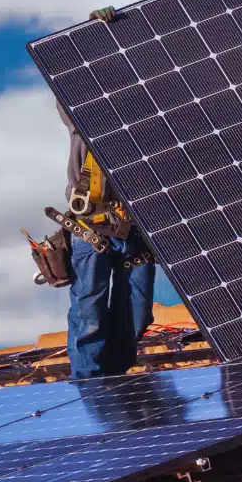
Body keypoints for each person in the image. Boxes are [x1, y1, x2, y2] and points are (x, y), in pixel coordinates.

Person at [57, 101, 157, 380]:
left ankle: (115, 383)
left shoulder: (149, 120)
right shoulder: (85, 113)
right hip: (91, 229)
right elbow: (70, 101)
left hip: (136, 232)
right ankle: (89, 387)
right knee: (90, 319)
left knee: (136, 317)